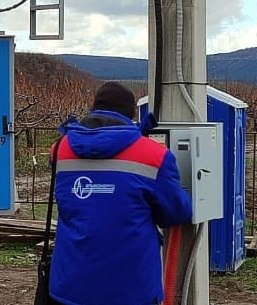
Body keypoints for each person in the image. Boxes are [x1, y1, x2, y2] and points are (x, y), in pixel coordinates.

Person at [48, 81, 193, 305]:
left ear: (94, 109)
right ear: (131, 113)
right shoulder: (155, 156)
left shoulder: (60, 149)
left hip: (70, 286)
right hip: (132, 289)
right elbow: (175, 213)